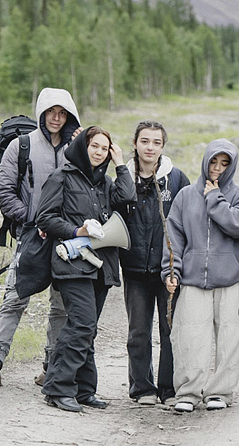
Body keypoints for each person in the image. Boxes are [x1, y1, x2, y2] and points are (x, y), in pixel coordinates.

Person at [37, 127, 136, 412]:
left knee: (88, 328)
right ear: (83, 146)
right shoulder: (62, 177)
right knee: (81, 323)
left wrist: (120, 164)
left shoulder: (106, 182)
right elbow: (45, 218)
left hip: (101, 266)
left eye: (105, 148)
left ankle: (83, 389)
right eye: (94, 146)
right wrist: (75, 230)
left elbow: (127, 197)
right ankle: (58, 388)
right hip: (71, 263)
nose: (99, 152)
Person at [162, 139, 239, 413]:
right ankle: (188, 392)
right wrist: (171, 270)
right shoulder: (186, 195)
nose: (217, 168)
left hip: (233, 279)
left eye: (224, 163)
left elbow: (237, 226)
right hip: (192, 278)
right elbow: (174, 237)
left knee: (229, 336)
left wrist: (214, 197)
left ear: (232, 166)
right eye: (213, 161)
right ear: (205, 162)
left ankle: (220, 392)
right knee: (189, 336)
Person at [0, 88, 80, 387]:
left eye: (62, 113)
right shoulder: (20, 147)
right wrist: (31, 219)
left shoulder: (77, 148)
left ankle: (51, 367)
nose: (56, 118)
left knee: (60, 306)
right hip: (29, 237)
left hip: (66, 241)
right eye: (51, 112)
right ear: (42, 113)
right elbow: (4, 191)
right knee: (14, 301)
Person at [117, 121, 189, 406]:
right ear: (135, 143)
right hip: (134, 268)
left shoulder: (176, 179)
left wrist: (178, 264)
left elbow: (186, 221)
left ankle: (169, 388)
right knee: (138, 331)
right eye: (145, 141)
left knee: (170, 329)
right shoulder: (124, 178)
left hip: (167, 268)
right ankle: (141, 388)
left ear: (163, 146)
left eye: (156, 142)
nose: (150, 147)